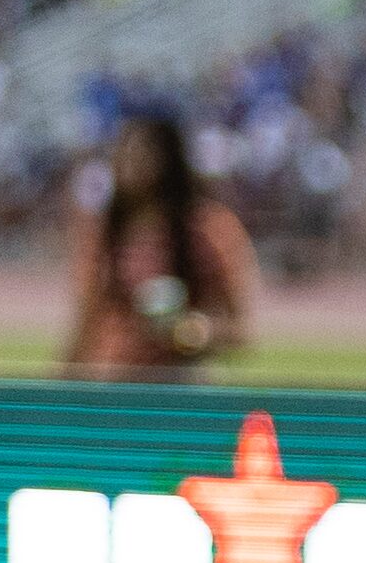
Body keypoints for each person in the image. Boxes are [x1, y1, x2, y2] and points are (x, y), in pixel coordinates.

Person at [63, 112, 259, 375]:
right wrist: (66, 379)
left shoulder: (207, 230)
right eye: (125, 152)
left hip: (177, 386)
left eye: (143, 153)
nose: (131, 163)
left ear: (169, 160)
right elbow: (87, 317)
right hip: (113, 382)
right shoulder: (106, 232)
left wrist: (194, 331)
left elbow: (237, 328)